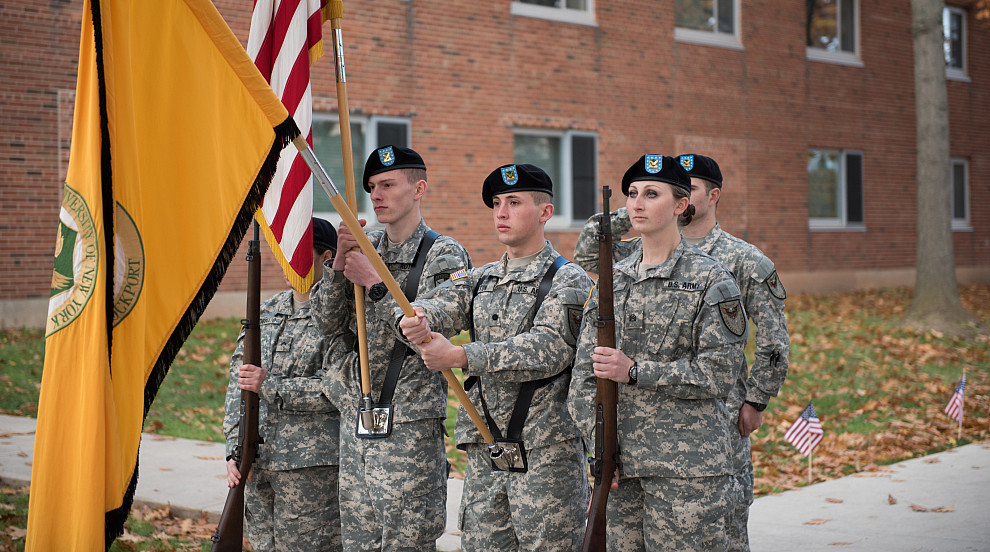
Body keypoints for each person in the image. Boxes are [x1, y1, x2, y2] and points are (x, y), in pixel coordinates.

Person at [573, 154, 790, 551]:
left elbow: (719, 373)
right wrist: (599, 446)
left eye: (650, 194)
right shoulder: (615, 279)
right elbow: (584, 379)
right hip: (622, 466)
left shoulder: (714, 277)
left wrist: (637, 371)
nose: (636, 203)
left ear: (681, 204)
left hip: (690, 467)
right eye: (632, 194)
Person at [396, 164, 593, 551]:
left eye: (514, 202)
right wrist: (423, 316)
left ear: (545, 212)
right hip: (488, 450)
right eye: (497, 203)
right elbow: (448, 302)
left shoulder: (570, 280)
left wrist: (461, 354)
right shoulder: (481, 277)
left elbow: (546, 349)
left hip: (545, 453)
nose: (501, 212)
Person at [311, 145, 473, 552]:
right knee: (359, 543)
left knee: (407, 542)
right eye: (371, 187)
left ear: (418, 188)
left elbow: (436, 323)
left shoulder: (444, 252)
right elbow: (327, 325)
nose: (377, 194)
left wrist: (376, 284)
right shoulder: (364, 245)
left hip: (409, 426)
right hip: (357, 419)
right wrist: (338, 265)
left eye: (387, 184)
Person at [223, 217, 342, 551]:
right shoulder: (266, 311)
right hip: (257, 464)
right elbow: (238, 383)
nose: (287, 262)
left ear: (327, 257)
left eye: (299, 254)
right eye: (284, 253)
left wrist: (270, 385)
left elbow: (337, 388)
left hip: (310, 470)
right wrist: (234, 449)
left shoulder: (340, 318)